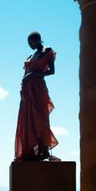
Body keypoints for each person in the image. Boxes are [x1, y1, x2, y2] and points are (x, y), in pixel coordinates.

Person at [15, 32, 59, 161]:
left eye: (31, 43)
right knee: (28, 118)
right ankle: (32, 151)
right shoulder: (31, 55)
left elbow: (52, 71)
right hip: (27, 90)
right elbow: (26, 73)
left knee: (41, 117)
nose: (30, 45)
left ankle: (44, 150)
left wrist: (34, 74)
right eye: (29, 43)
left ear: (38, 40)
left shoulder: (47, 52)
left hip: (38, 88)